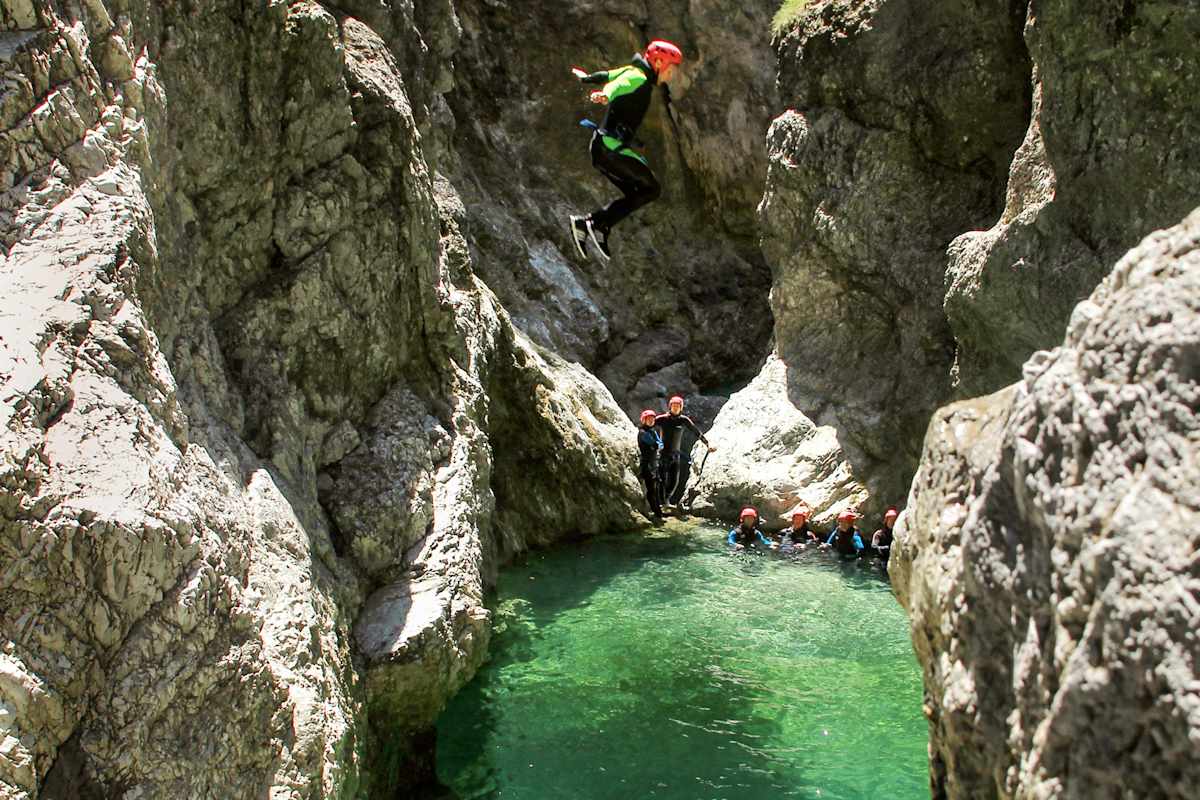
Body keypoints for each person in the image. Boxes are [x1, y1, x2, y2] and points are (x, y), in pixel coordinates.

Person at [568, 40, 684, 261]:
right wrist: (605, 95)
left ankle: (589, 224)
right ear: (658, 63)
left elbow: (608, 75)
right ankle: (598, 225)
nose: (670, 76)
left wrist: (587, 78)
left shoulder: (634, 71)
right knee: (651, 190)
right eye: (670, 70)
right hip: (611, 150)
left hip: (603, 148)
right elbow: (616, 86)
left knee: (640, 192)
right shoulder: (637, 77)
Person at [655, 395, 714, 510]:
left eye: (678, 406)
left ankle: (666, 500)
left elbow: (696, 432)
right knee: (661, 479)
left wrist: (707, 444)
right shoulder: (662, 419)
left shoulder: (684, 420)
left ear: (681, 408)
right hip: (663, 454)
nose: (676, 408)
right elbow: (649, 426)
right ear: (670, 406)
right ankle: (661, 502)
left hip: (675, 454)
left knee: (674, 481)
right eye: (674, 406)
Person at [636, 409, 664, 519]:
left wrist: (657, 444)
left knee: (656, 489)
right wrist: (656, 445)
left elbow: (660, 444)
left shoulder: (652, 431)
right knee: (651, 489)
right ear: (644, 420)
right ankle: (657, 513)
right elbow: (654, 443)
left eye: (653, 419)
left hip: (653, 464)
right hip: (647, 464)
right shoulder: (642, 433)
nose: (651, 421)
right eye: (649, 419)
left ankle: (658, 511)